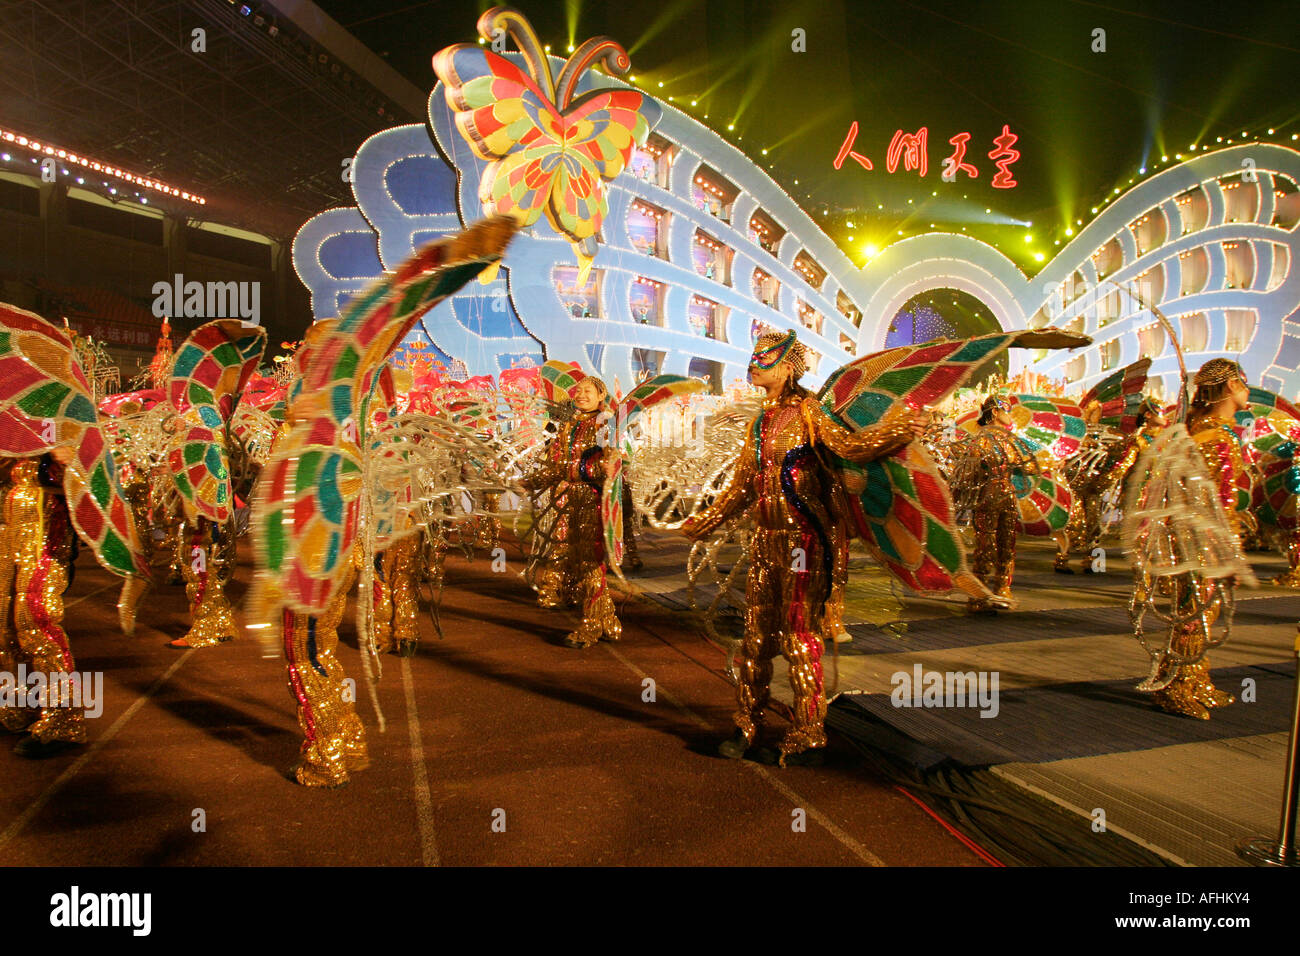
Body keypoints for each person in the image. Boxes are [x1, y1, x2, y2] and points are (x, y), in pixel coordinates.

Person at [681, 331, 925, 765]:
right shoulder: (760, 420)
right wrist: (709, 518)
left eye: (763, 359)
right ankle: (747, 724)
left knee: (798, 638)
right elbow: (743, 481)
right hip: (766, 541)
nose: (752, 363)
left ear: (787, 367)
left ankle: (808, 732)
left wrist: (897, 431)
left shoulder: (809, 411)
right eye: (752, 356)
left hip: (803, 543)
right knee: (754, 639)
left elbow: (850, 447)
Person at [1149, 359, 1252, 719]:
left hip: (1196, 537)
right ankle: (1176, 687)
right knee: (1194, 615)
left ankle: (1193, 678)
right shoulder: (1215, 437)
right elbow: (1216, 501)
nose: (1247, 388)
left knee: (1201, 613)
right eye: (1242, 381)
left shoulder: (1207, 431)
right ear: (1227, 388)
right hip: (1199, 540)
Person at [521, 376, 621, 648]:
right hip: (571, 498)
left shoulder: (607, 423)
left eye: (588, 391)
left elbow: (616, 461)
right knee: (581, 562)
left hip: (594, 498)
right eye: (578, 391)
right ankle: (608, 620)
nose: (580, 394)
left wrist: (606, 467)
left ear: (601, 396)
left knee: (590, 563)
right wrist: (531, 483)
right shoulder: (570, 426)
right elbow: (558, 466)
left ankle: (590, 626)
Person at [0, 449, 86, 757]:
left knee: (35, 620)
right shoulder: (15, 431)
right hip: (11, 539)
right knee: (6, 624)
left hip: (46, 540)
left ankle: (62, 717)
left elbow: (81, 482)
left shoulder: (65, 426)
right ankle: (19, 704)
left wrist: (54, 454)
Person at [961, 396, 1040, 611]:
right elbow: (971, 470)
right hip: (987, 497)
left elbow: (1026, 466)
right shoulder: (981, 440)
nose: (1010, 414)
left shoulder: (1010, 440)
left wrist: (1037, 466)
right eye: (1007, 409)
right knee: (985, 546)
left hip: (1008, 496)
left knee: (1008, 543)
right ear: (995, 412)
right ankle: (978, 593)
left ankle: (1003, 587)